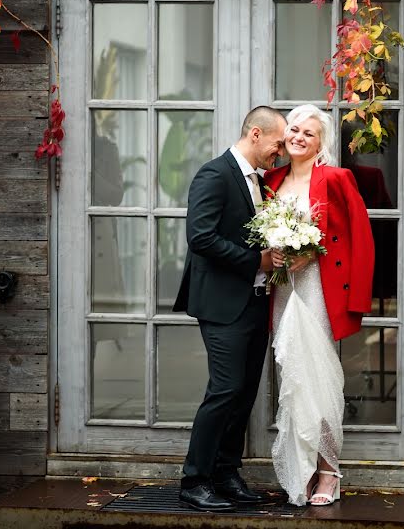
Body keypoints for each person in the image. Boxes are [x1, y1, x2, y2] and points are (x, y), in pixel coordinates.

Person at [172, 105, 287, 512]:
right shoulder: (214, 174)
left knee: (243, 394)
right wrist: (256, 262)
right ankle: (194, 480)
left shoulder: (260, 181)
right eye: (277, 143)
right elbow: (200, 237)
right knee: (223, 391)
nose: (281, 152)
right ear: (255, 134)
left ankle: (225, 473)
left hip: (256, 302)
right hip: (222, 303)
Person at [262, 104, 375, 506]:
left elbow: (361, 236)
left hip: (321, 292)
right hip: (283, 291)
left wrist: (355, 295)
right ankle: (302, 467)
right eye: (293, 129)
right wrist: (272, 254)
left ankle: (329, 471)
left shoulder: (337, 179)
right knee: (293, 379)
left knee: (320, 379)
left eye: (308, 133)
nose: (298, 137)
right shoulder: (270, 180)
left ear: (320, 143)